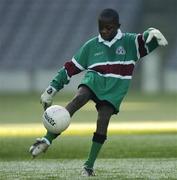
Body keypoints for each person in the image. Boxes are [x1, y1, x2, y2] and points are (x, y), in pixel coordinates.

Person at [29, 8, 168, 176]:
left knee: (103, 120)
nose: (104, 31)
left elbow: (147, 41)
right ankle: (46, 139)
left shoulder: (130, 42)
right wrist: (52, 88)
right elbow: (70, 68)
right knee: (79, 98)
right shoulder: (91, 46)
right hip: (94, 81)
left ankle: (88, 166)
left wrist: (152, 32)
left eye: (108, 27)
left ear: (118, 26)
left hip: (115, 90)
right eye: (101, 27)